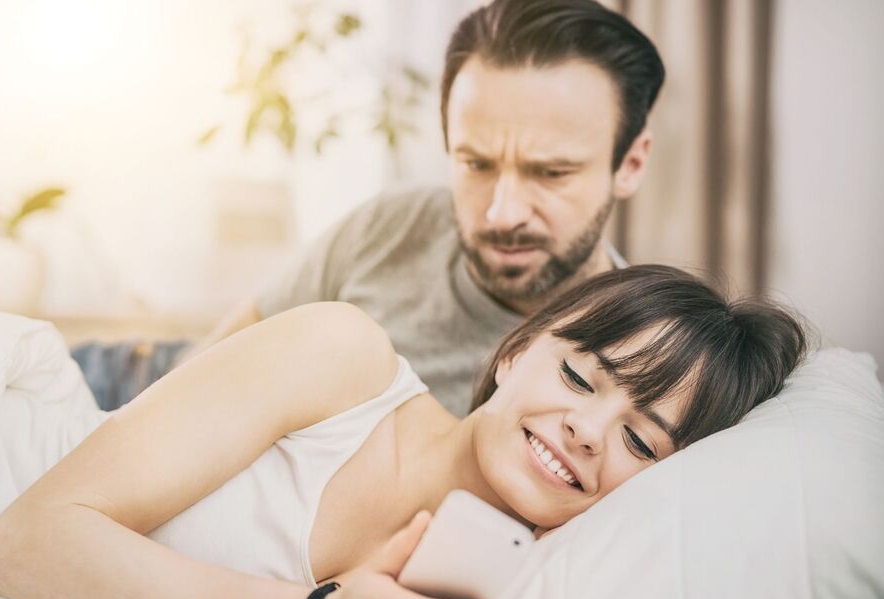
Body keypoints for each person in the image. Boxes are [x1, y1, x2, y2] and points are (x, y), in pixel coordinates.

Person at [0, 265, 807, 599]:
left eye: (642, 440)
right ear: (516, 351)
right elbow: (22, 544)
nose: (586, 431)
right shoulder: (341, 358)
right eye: (580, 376)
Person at [177, 0, 667, 417]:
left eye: (551, 173)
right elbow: (197, 376)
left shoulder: (631, 374)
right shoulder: (391, 224)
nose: (502, 213)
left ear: (630, 163)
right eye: (476, 163)